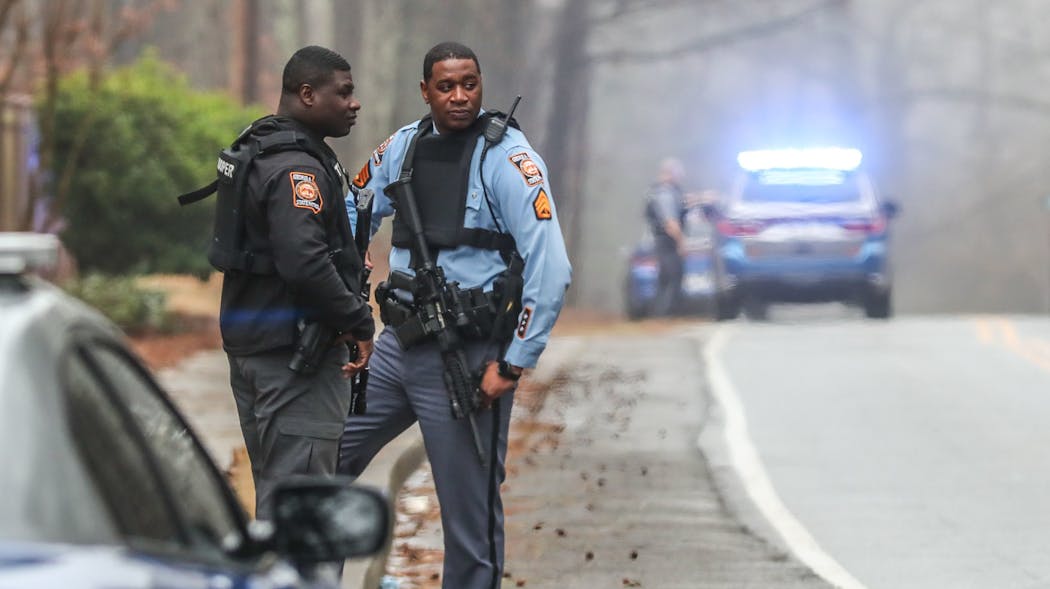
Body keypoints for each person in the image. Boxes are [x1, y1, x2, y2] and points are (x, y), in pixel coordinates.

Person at [338, 42, 571, 588]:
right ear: (426, 91)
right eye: (446, 86)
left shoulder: (509, 160)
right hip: (397, 349)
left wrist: (513, 363)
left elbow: (551, 267)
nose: (460, 96)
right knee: (322, 462)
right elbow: (355, 206)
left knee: (469, 522)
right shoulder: (403, 147)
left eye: (470, 83)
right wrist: (352, 270)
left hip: (468, 361)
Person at [214, 46, 374, 520]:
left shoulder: (262, 146)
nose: (354, 103)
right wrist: (358, 320)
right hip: (293, 364)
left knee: (278, 503)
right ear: (307, 94)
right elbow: (303, 262)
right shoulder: (295, 169)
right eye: (343, 93)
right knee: (302, 520)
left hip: (255, 350)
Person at [645, 157, 688, 316]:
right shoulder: (666, 193)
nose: (682, 176)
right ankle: (666, 315)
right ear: (671, 173)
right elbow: (671, 223)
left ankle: (660, 314)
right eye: (679, 172)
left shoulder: (658, 191)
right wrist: (681, 243)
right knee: (673, 277)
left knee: (664, 278)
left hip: (661, 241)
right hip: (668, 242)